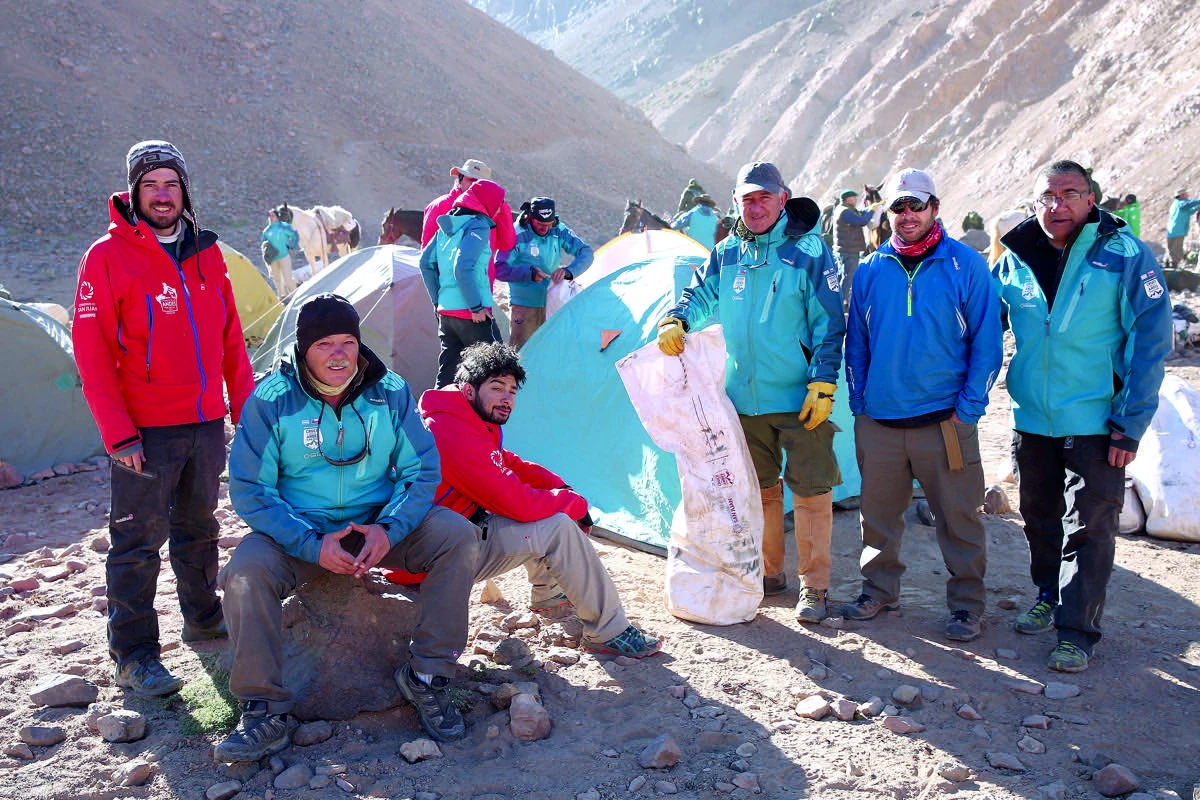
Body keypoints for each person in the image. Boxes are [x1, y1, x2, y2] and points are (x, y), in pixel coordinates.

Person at [217, 294, 480, 761]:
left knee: (455, 536)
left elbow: (420, 471)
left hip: (377, 525)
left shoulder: (390, 390)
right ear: (302, 351)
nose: (339, 354)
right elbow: (251, 490)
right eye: (324, 344)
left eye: (348, 342)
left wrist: (389, 529)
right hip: (302, 533)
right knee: (244, 571)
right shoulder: (271, 400)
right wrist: (310, 543)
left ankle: (427, 676)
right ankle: (263, 709)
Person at [71, 140, 255, 697]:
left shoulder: (206, 252)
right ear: (133, 192)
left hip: (203, 423)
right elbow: (92, 353)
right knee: (136, 542)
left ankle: (202, 618)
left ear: (184, 191)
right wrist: (117, 433)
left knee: (199, 529)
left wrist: (245, 412)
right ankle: (134, 654)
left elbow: (229, 340)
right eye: (150, 184)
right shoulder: (106, 257)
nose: (161, 194)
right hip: (144, 432)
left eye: (170, 183)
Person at [994, 160, 1172, 672]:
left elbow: (1150, 341)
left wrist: (1130, 422)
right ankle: (1047, 597)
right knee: (1039, 520)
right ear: (1034, 204)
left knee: (1090, 527)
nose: (1058, 205)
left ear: (1090, 199)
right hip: (1033, 419)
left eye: (1070, 194)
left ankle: (1077, 631)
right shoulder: (1014, 259)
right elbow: (982, 329)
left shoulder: (1124, 255)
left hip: (1097, 423)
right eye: (1047, 197)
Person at [657, 161, 846, 623]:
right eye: (748, 198)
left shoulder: (809, 250)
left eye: (765, 197)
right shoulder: (726, 253)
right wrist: (678, 318)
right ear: (737, 203)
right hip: (742, 398)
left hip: (801, 397)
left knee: (811, 490)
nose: (756, 206)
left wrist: (823, 380)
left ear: (783, 199)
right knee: (758, 490)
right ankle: (770, 574)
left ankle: (814, 588)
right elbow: (701, 294)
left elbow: (828, 321)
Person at [841, 168, 1003, 642]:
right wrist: (860, 402)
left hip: (945, 422)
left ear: (935, 208)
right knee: (878, 516)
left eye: (916, 205)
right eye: (898, 206)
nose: (907, 215)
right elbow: (858, 342)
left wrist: (968, 409)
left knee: (959, 518)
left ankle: (968, 606)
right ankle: (878, 591)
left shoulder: (966, 265)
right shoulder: (872, 268)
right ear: (887, 213)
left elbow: (987, 344)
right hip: (881, 421)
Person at [419, 342, 661, 657]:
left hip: (450, 539)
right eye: (496, 388)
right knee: (556, 524)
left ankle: (549, 595)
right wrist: (574, 504)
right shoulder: (448, 431)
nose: (507, 398)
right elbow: (516, 502)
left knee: (545, 508)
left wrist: (561, 487)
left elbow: (505, 461)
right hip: (432, 562)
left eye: (512, 390)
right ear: (468, 390)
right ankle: (608, 632)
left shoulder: (460, 417)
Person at [420, 179, 508, 388]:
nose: (500, 208)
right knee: (495, 373)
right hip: (472, 315)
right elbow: (463, 267)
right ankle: (488, 419)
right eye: (499, 202)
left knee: (448, 373)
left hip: (447, 314)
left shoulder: (447, 226)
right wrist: (475, 306)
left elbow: (425, 263)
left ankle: (434, 417)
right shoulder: (478, 225)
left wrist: (437, 303)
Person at [495, 197, 593, 349]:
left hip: (553, 303)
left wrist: (568, 271)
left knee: (550, 352)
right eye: (540, 224)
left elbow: (586, 252)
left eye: (548, 224)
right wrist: (529, 274)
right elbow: (499, 268)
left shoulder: (558, 230)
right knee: (522, 355)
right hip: (524, 305)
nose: (545, 229)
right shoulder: (515, 234)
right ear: (529, 217)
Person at [833, 189, 875, 304]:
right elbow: (862, 220)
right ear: (848, 199)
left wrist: (868, 209)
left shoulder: (842, 209)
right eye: (854, 198)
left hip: (843, 249)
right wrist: (872, 211)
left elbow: (859, 213)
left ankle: (838, 300)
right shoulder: (845, 212)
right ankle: (841, 303)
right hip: (849, 250)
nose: (856, 200)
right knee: (848, 278)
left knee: (842, 276)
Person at [261, 208, 300, 298]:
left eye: (273, 215)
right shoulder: (267, 231)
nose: (271, 217)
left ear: (277, 216)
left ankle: (295, 297)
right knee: (277, 279)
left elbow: (295, 235)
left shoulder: (284, 227)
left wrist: (292, 247)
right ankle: (282, 297)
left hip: (284, 256)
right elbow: (264, 243)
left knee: (288, 278)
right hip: (273, 258)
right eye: (269, 216)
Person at [1166, 189, 1200, 267]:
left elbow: (1189, 211)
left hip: (1176, 231)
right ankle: (1174, 268)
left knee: (1175, 249)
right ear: (1181, 195)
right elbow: (1188, 205)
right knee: (1176, 250)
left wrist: (1197, 207)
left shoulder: (1179, 205)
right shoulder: (1180, 203)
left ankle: (1175, 266)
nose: (1188, 195)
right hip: (1177, 231)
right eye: (1186, 194)